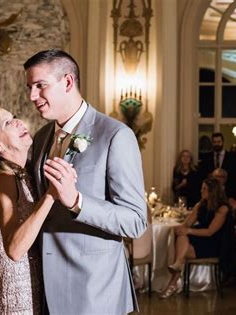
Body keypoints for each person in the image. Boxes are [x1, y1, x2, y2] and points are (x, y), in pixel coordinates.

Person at [22, 49, 146, 314]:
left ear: (68, 82)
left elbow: (136, 221)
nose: (33, 97)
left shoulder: (115, 135)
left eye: (40, 86)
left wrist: (77, 202)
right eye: (30, 87)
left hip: (95, 291)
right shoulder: (42, 136)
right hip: (44, 288)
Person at [0, 106, 70, 314]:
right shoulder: (3, 178)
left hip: (35, 287)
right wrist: (51, 194)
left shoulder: (24, 172)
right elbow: (14, 249)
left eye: (14, 117)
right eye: (7, 123)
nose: (18, 121)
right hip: (16, 297)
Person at [159, 178, 229, 299]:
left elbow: (210, 232)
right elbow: (186, 224)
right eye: (202, 188)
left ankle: (173, 281)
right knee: (182, 236)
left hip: (213, 243)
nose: (201, 191)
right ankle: (177, 267)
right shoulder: (200, 205)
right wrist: (179, 228)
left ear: (213, 191)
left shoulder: (222, 208)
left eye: (204, 189)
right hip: (198, 238)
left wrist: (188, 230)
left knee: (183, 245)